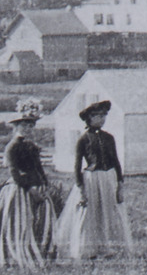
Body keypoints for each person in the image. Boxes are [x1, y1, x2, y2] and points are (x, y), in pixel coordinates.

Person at [0, 100, 55, 268]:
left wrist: (44, 185)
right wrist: (29, 188)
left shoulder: (31, 146)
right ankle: (14, 257)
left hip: (37, 188)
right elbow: (14, 172)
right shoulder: (12, 146)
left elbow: (39, 169)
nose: (27, 129)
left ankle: (42, 254)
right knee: (18, 224)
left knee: (42, 221)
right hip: (19, 189)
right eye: (23, 126)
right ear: (16, 127)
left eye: (30, 126)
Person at [54, 100, 132, 259]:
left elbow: (116, 161)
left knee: (109, 211)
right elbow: (77, 165)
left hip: (108, 177)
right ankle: (88, 249)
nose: (102, 119)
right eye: (98, 116)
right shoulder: (84, 139)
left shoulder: (109, 138)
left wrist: (120, 184)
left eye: (104, 116)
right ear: (89, 118)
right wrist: (80, 187)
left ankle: (108, 248)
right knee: (90, 212)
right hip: (92, 179)